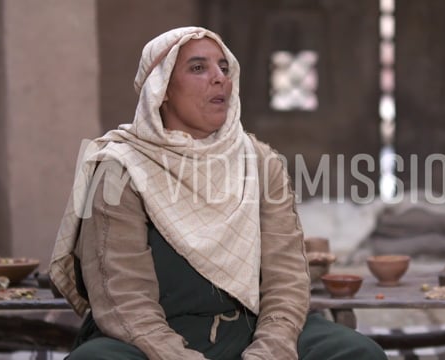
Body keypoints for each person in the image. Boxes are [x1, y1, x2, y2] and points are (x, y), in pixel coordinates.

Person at [50, 27, 387, 360]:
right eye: (198, 68)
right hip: (150, 339)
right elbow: (123, 299)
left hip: (250, 330)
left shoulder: (258, 161)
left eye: (223, 68)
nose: (219, 78)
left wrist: (269, 351)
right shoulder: (118, 168)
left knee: (357, 353)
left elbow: (286, 280)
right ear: (161, 88)